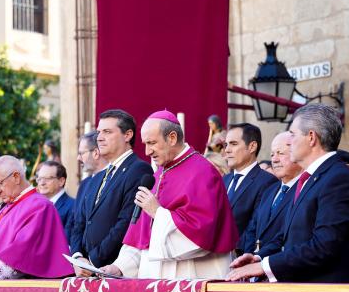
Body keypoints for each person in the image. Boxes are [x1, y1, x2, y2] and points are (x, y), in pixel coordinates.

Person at [227, 104, 349, 283]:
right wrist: (260, 257)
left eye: (292, 135)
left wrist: (264, 266)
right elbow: (294, 234)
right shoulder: (314, 177)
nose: (289, 142)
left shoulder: (338, 179)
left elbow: (324, 246)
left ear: (311, 137)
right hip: (306, 291)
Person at [99, 110, 238, 279]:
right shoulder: (157, 175)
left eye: (152, 143)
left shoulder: (202, 172)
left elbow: (201, 236)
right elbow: (142, 237)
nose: (147, 151)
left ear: (172, 138)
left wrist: (157, 212)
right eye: (145, 144)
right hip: (156, 282)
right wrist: (119, 267)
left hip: (192, 277)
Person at [69, 110, 153, 274]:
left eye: (107, 132)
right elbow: (80, 224)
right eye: (99, 131)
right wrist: (78, 258)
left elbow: (126, 223)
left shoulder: (138, 169)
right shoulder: (97, 177)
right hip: (87, 271)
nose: (99, 137)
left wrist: (93, 261)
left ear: (127, 135)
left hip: (114, 271)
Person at [237, 132, 302, 259]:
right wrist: (250, 256)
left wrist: (259, 258)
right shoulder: (269, 191)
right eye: (272, 154)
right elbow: (252, 229)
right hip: (257, 269)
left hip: (283, 267)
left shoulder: (303, 190)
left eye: (280, 153)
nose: (274, 159)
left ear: (297, 154)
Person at [223, 123, 278, 253]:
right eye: (226, 145)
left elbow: (256, 227)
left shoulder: (268, 182)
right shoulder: (224, 180)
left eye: (233, 144)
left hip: (242, 258)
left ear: (252, 146)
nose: (227, 150)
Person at [36, 161, 74, 236]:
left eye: (47, 178)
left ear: (61, 181)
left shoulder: (73, 207)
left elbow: (67, 241)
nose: (42, 183)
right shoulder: (38, 206)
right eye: (39, 179)